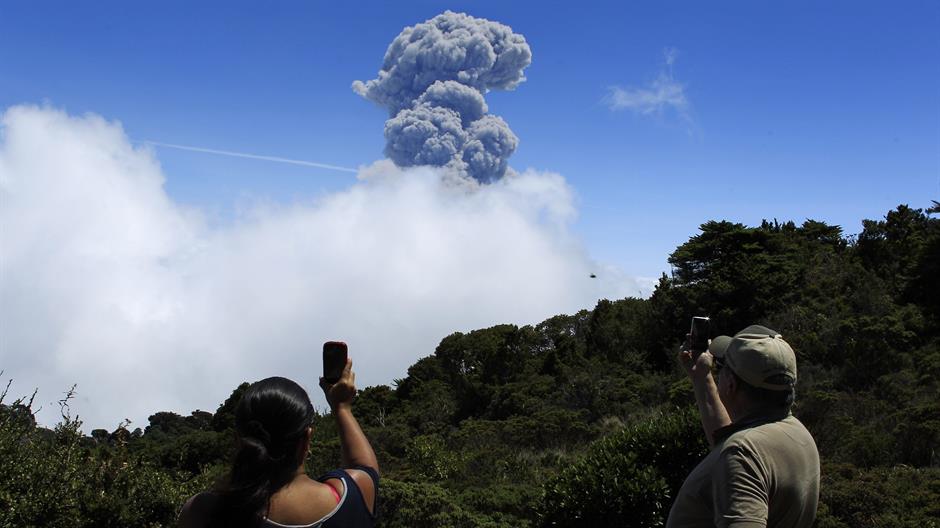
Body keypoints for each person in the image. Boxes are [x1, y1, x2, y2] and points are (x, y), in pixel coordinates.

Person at [178, 358, 379, 528]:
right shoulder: (353, 493)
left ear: (239, 441)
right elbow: (364, 467)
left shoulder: (202, 512)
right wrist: (341, 408)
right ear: (307, 438)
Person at [667, 325, 820, 528]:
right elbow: (730, 442)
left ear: (730, 384)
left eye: (721, 368)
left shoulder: (741, 454)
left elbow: (739, 454)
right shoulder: (794, 431)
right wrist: (701, 377)